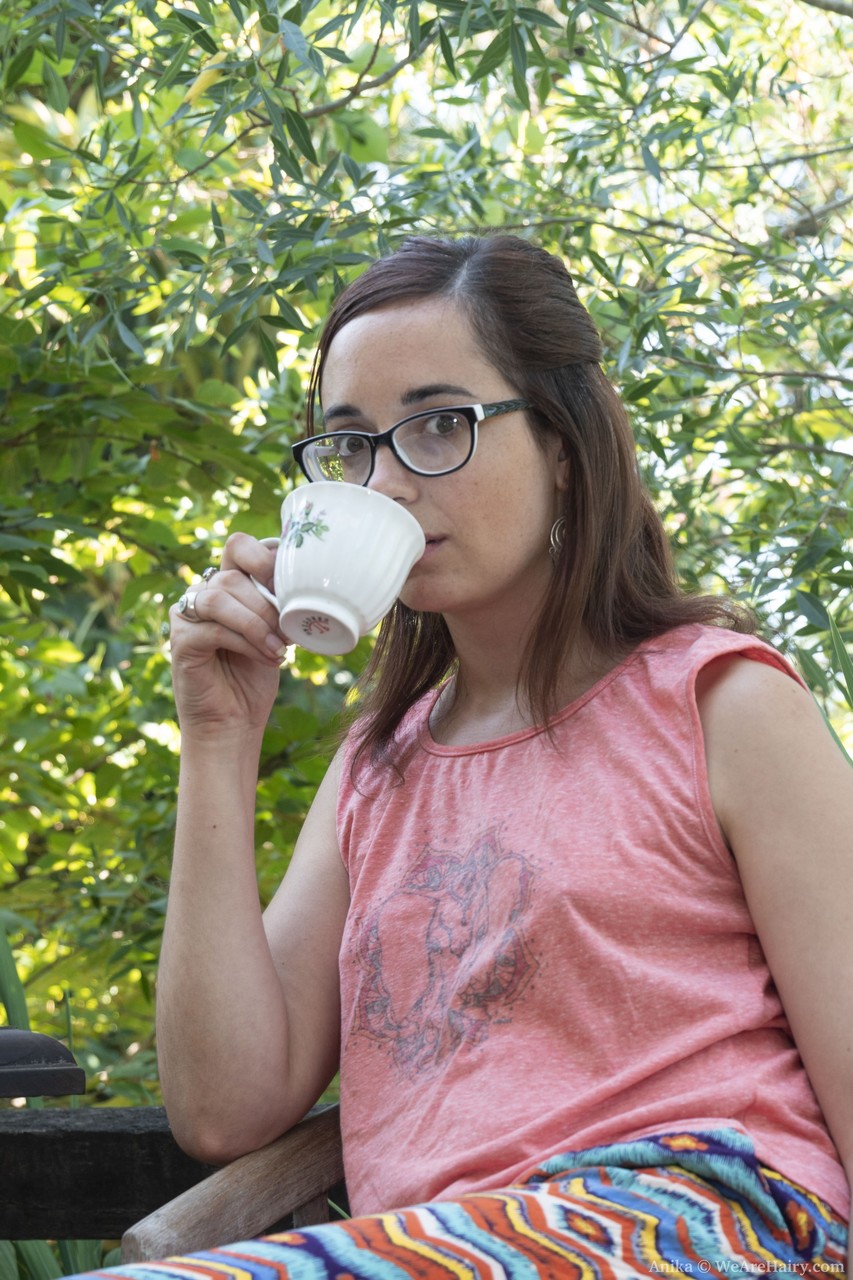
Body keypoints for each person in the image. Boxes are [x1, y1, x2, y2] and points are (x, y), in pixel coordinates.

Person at [64, 235, 851, 1280]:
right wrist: (218, 736)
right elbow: (222, 1106)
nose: (385, 480)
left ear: (563, 444)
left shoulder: (723, 702)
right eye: (350, 443)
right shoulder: (376, 770)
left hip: (702, 1213)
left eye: (439, 424)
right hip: (442, 1243)